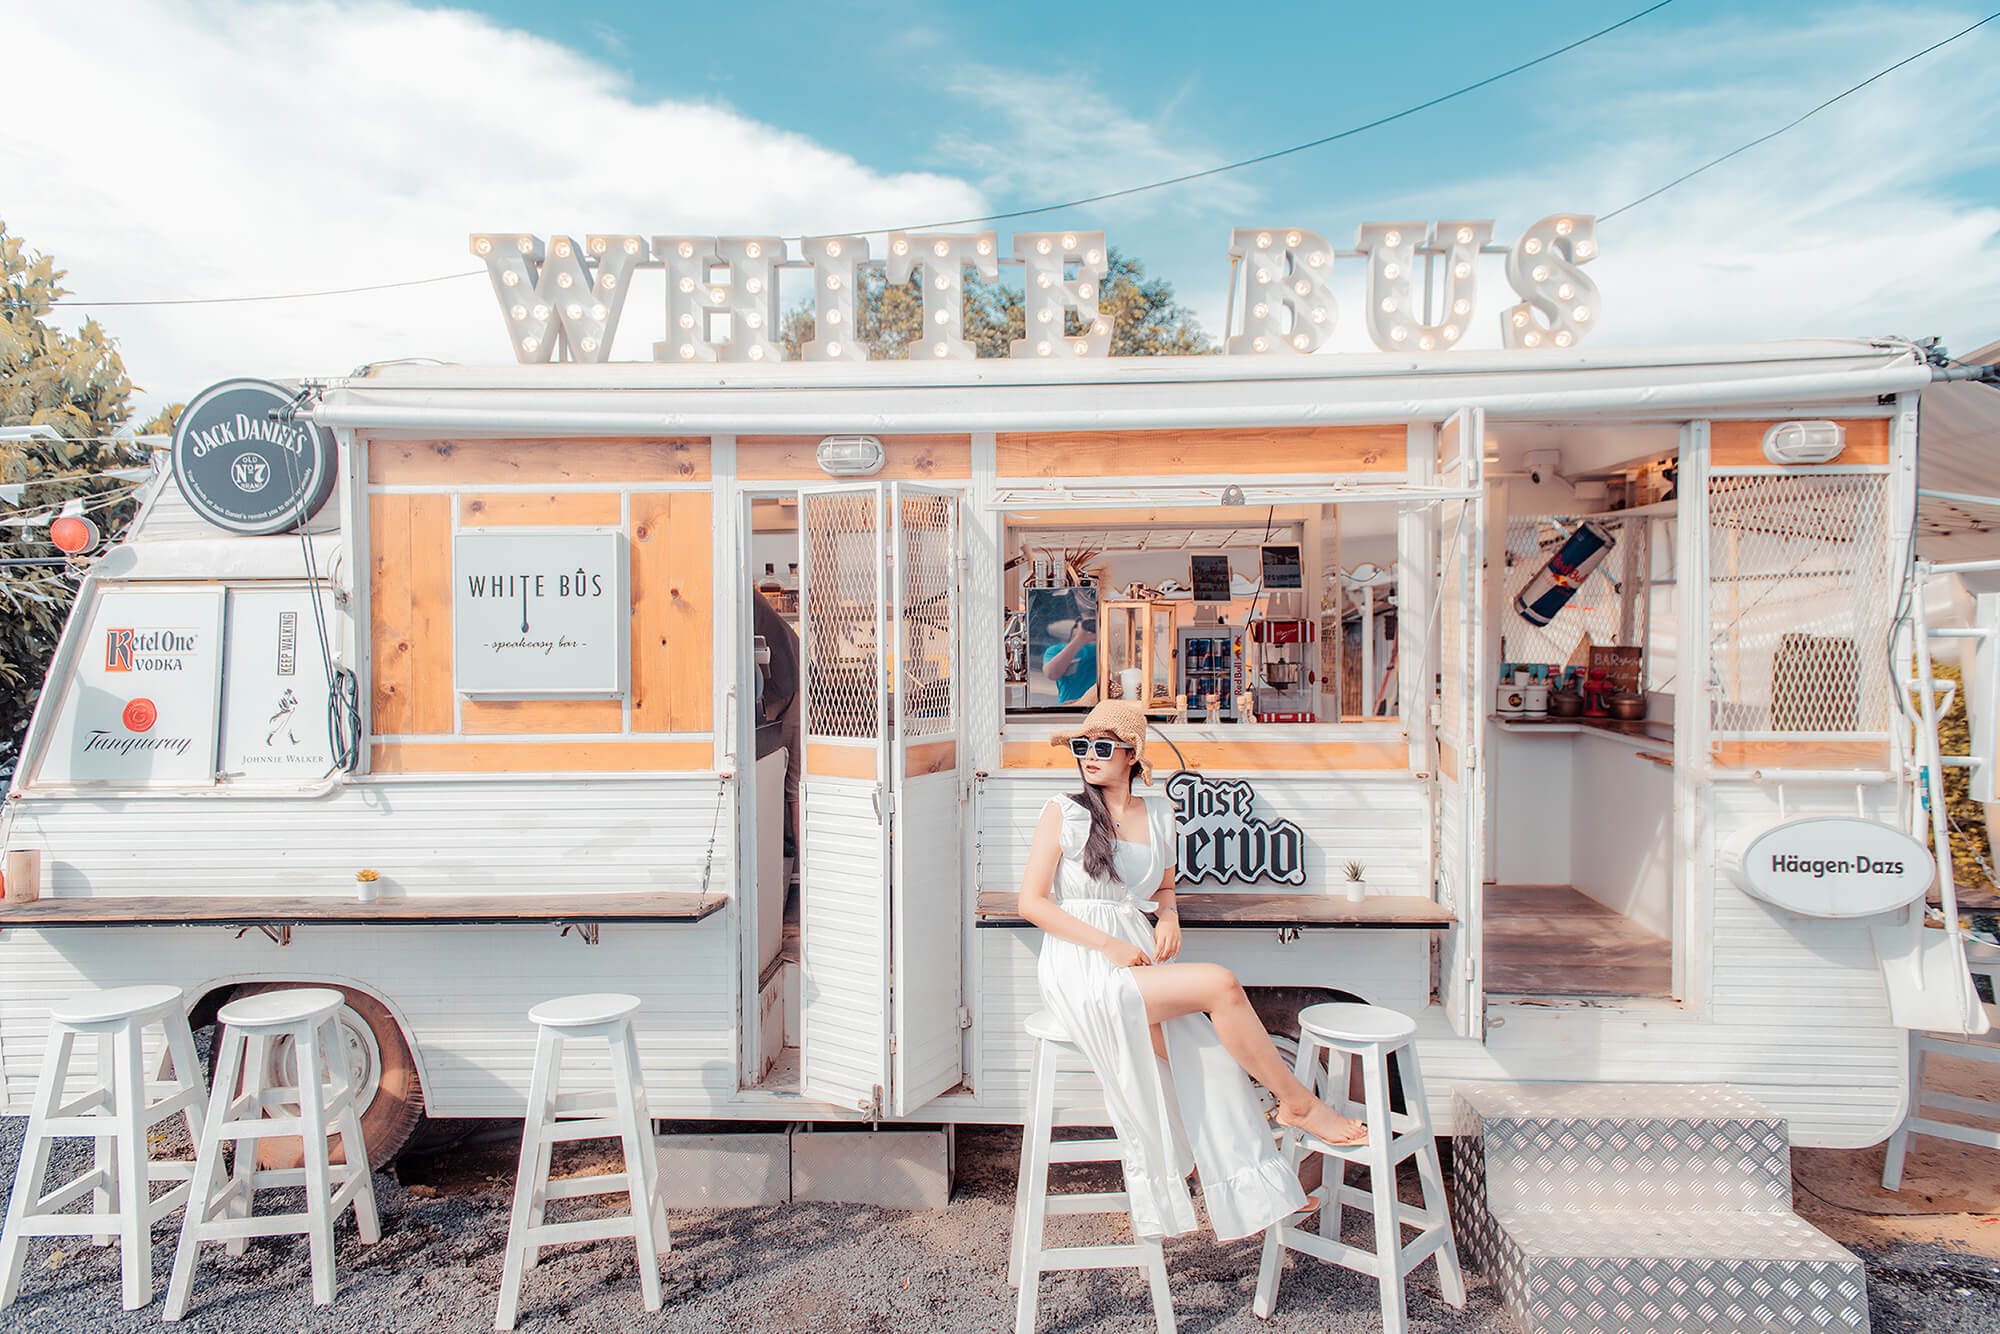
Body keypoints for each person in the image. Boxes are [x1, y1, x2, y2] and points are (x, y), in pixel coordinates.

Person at [1016, 699, 1366, 1242]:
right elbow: (1032, 904)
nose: (1088, 757)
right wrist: (1108, 943)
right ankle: (1298, 1103)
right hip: (1082, 964)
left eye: (1102, 747)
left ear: (1131, 756)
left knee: (1209, 1057)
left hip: (1137, 956)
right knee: (1220, 984)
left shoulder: (1158, 815)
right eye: (1082, 746)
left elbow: (1162, 886)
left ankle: (1264, 1193)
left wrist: (1170, 914)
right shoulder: (1064, 811)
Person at [752, 591, 801, 857]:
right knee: (791, 787)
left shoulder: (732, 593)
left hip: (788, 687)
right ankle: (796, 870)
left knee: (790, 786)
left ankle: (798, 871)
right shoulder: (748, 597)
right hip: (789, 683)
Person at [1040, 586, 1099, 705]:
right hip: (1068, 709)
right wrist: (1080, 639)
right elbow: (1051, 673)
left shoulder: (1112, 650)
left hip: (1100, 710)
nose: (1092, 625)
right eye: (1089, 619)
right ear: (1079, 621)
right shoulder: (1056, 650)